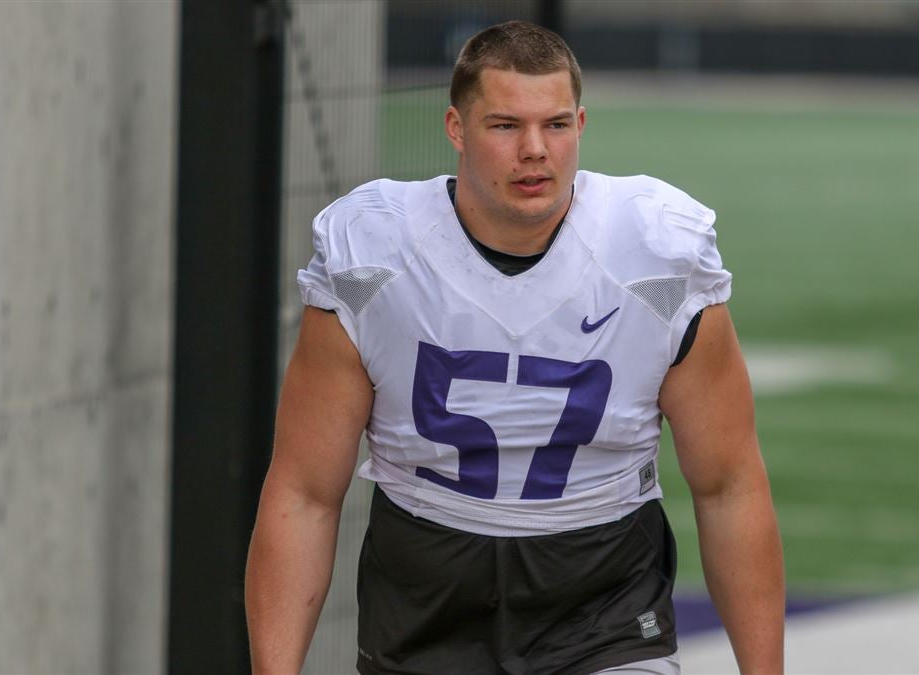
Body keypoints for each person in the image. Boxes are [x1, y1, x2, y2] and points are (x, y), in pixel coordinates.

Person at [245, 20, 784, 675]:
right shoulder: (377, 255)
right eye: (504, 126)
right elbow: (304, 491)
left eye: (556, 125)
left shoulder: (652, 251)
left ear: (581, 123)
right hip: (428, 601)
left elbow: (729, 484)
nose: (535, 150)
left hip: (600, 597)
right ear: (455, 128)